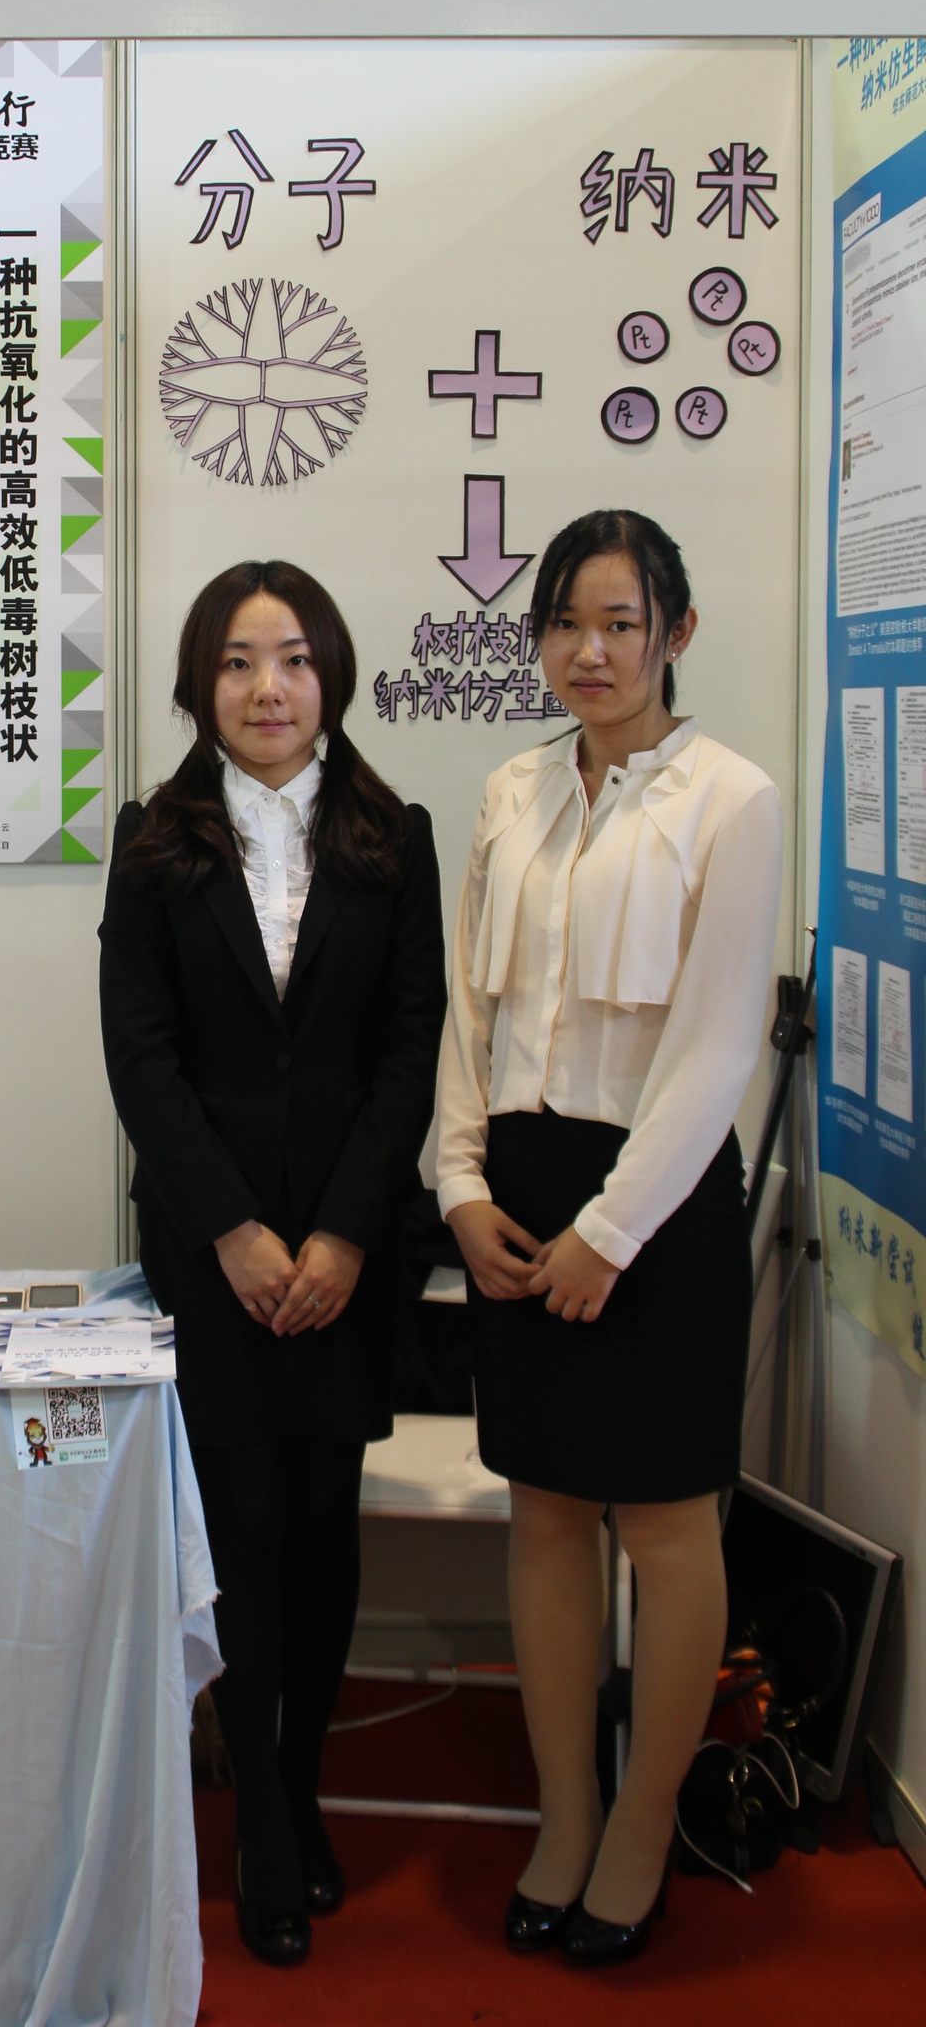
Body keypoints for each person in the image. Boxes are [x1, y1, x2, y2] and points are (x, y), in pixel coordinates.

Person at [436, 509, 782, 1968]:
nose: (590, 650)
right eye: (565, 623)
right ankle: (565, 1816)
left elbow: (718, 1045)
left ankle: (641, 1832)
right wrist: (459, 1185)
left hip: (661, 1195)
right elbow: (468, 1013)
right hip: (518, 1190)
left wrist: (612, 1231)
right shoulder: (511, 792)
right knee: (545, 1510)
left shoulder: (731, 798)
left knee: (664, 1520)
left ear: (675, 633)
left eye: (621, 622)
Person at [98, 559, 446, 1969]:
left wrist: (347, 1232)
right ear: (202, 684)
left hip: (351, 1251)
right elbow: (142, 1057)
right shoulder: (153, 841)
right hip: (216, 1251)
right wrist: (236, 1233)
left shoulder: (395, 836)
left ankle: (302, 1789)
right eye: (239, 662)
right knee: (238, 1525)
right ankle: (255, 1816)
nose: (268, 688)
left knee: (323, 1522)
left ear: (331, 675)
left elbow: (411, 1048)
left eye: (294, 658)